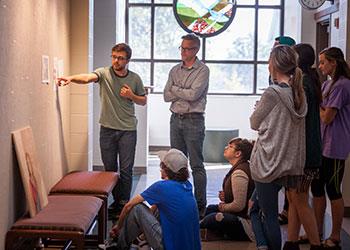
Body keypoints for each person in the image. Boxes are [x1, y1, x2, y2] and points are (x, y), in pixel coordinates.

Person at [57, 43, 147, 214]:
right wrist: (70, 78)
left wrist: (131, 96)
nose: (116, 61)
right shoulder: (104, 73)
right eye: (113, 56)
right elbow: (87, 77)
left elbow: (143, 101)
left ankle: (123, 202)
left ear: (127, 60)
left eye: (120, 58)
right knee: (110, 169)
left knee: (126, 169)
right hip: (107, 130)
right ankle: (115, 202)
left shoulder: (134, 78)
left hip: (128, 130)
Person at [250, 45, 307, 250]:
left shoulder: (272, 93)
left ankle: (267, 246)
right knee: (256, 208)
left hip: (268, 161)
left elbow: (254, 123)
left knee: (268, 216)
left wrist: (258, 111)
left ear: (273, 64)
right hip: (289, 161)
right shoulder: (298, 92)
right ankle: (263, 245)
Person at [103, 148, 201, 250]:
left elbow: (128, 206)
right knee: (160, 207)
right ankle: (141, 240)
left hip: (170, 246)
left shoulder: (162, 187)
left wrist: (118, 227)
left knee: (137, 209)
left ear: (165, 169)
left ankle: (119, 246)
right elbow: (153, 210)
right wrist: (143, 228)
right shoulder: (187, 185)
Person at [163, 33, 209, 216]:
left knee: (196, 164)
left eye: (187, 48)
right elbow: (166, 95)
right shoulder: (174, 70)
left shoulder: (203, 70)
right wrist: (182, 91)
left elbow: (194, 95)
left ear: (196, 50)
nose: (183, 51)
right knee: (176, 164)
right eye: (181, 47)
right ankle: (178, 201)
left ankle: (199, 206)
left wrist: (176, 89)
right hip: (175, 119)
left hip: (194, 120)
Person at [282, 43, 323, 250]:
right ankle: (291, 241)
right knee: (293, 196)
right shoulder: (307, 81)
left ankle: (315, 243)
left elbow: (296, 116)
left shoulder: (303, 84)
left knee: (298, 198)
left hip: (304, 151)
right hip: (306, 149)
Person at [311, 47, 350, 249]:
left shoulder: (342, 86)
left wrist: (315, 102)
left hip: (335, 146)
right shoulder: (327, 84)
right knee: (316, 189)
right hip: (322, 145)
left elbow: (327, 117)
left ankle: (335, 236)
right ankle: (316, 233)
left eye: (324, 62)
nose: (320, 66)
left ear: (334, 63)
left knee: (333, 190)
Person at [200, 138, 255, 242]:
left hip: (246, 223)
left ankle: (198, 228)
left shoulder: (239, 172)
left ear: (238, 153)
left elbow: (239, 205)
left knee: (214, 217)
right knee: (211, 208)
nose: (226, 148)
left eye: (230, 147)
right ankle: (211, 232)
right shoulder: (240, 167)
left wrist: (223, 207)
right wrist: (227, 197)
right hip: (239, 215)